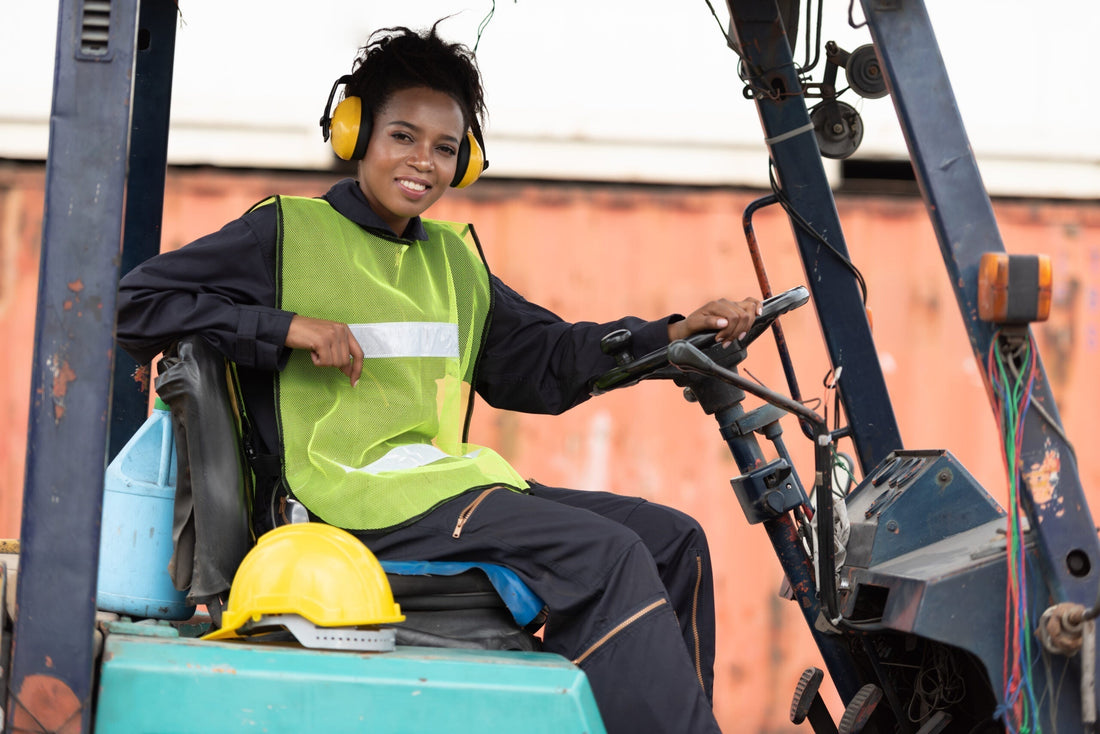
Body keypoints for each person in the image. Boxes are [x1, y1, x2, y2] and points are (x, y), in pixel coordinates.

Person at [116, 23, 760, 734]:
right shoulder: (285, 234)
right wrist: (285, 328)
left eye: (445, 148)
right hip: (344, 498)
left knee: (673, 537)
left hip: (434, 488)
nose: (423, 160)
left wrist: (669, 336)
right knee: (605, 554)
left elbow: (541, 364)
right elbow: (133, 304)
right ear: (355, 131)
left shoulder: (454, 262)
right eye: (402, 136)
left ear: (466, 162)